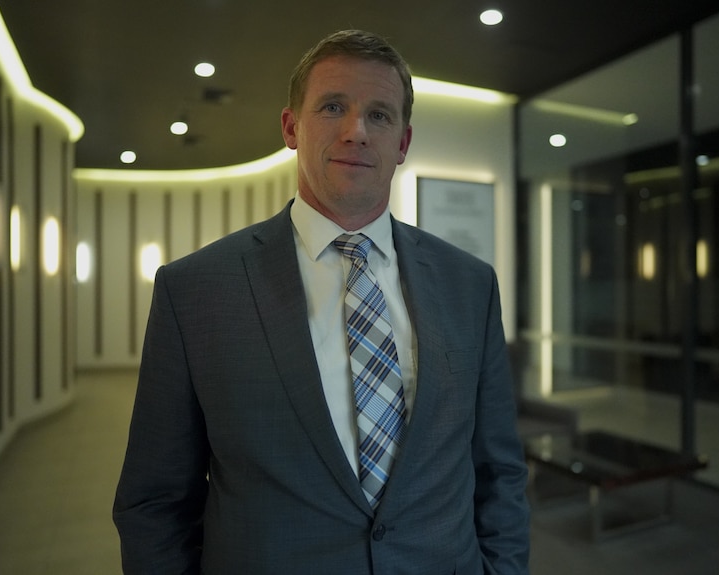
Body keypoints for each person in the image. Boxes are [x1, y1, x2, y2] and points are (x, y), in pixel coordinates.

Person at [113, 29, 530, 574]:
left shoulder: (469, 284)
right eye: (334, 107)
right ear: (291, 127)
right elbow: (155, 502)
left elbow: (499, 473)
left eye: (380, 115)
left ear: (403, 144)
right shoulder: (195, 291)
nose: (357, 131)